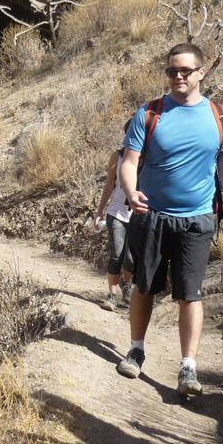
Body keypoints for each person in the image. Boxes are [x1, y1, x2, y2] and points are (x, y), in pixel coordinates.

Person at [115, 43, 223, 397]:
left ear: (202, 72)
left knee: (191, 294)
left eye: (186, 71)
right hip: (152, 216)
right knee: (145, 285)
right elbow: (128, 161)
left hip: (198, 219)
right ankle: (136, 348)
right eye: (172, 71)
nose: (178, 77)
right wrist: (130, 191)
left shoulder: (220, 117)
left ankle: (188, 367)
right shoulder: (149, 113)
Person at [92, 121, 135, 311]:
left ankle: (126, 287)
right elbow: (109, 185)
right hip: (116, 212)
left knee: (131, 259)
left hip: (138, 215)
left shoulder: (149, 159)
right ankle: (112, 295)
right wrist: (99, 211)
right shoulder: (116, 157)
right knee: (117, 254)